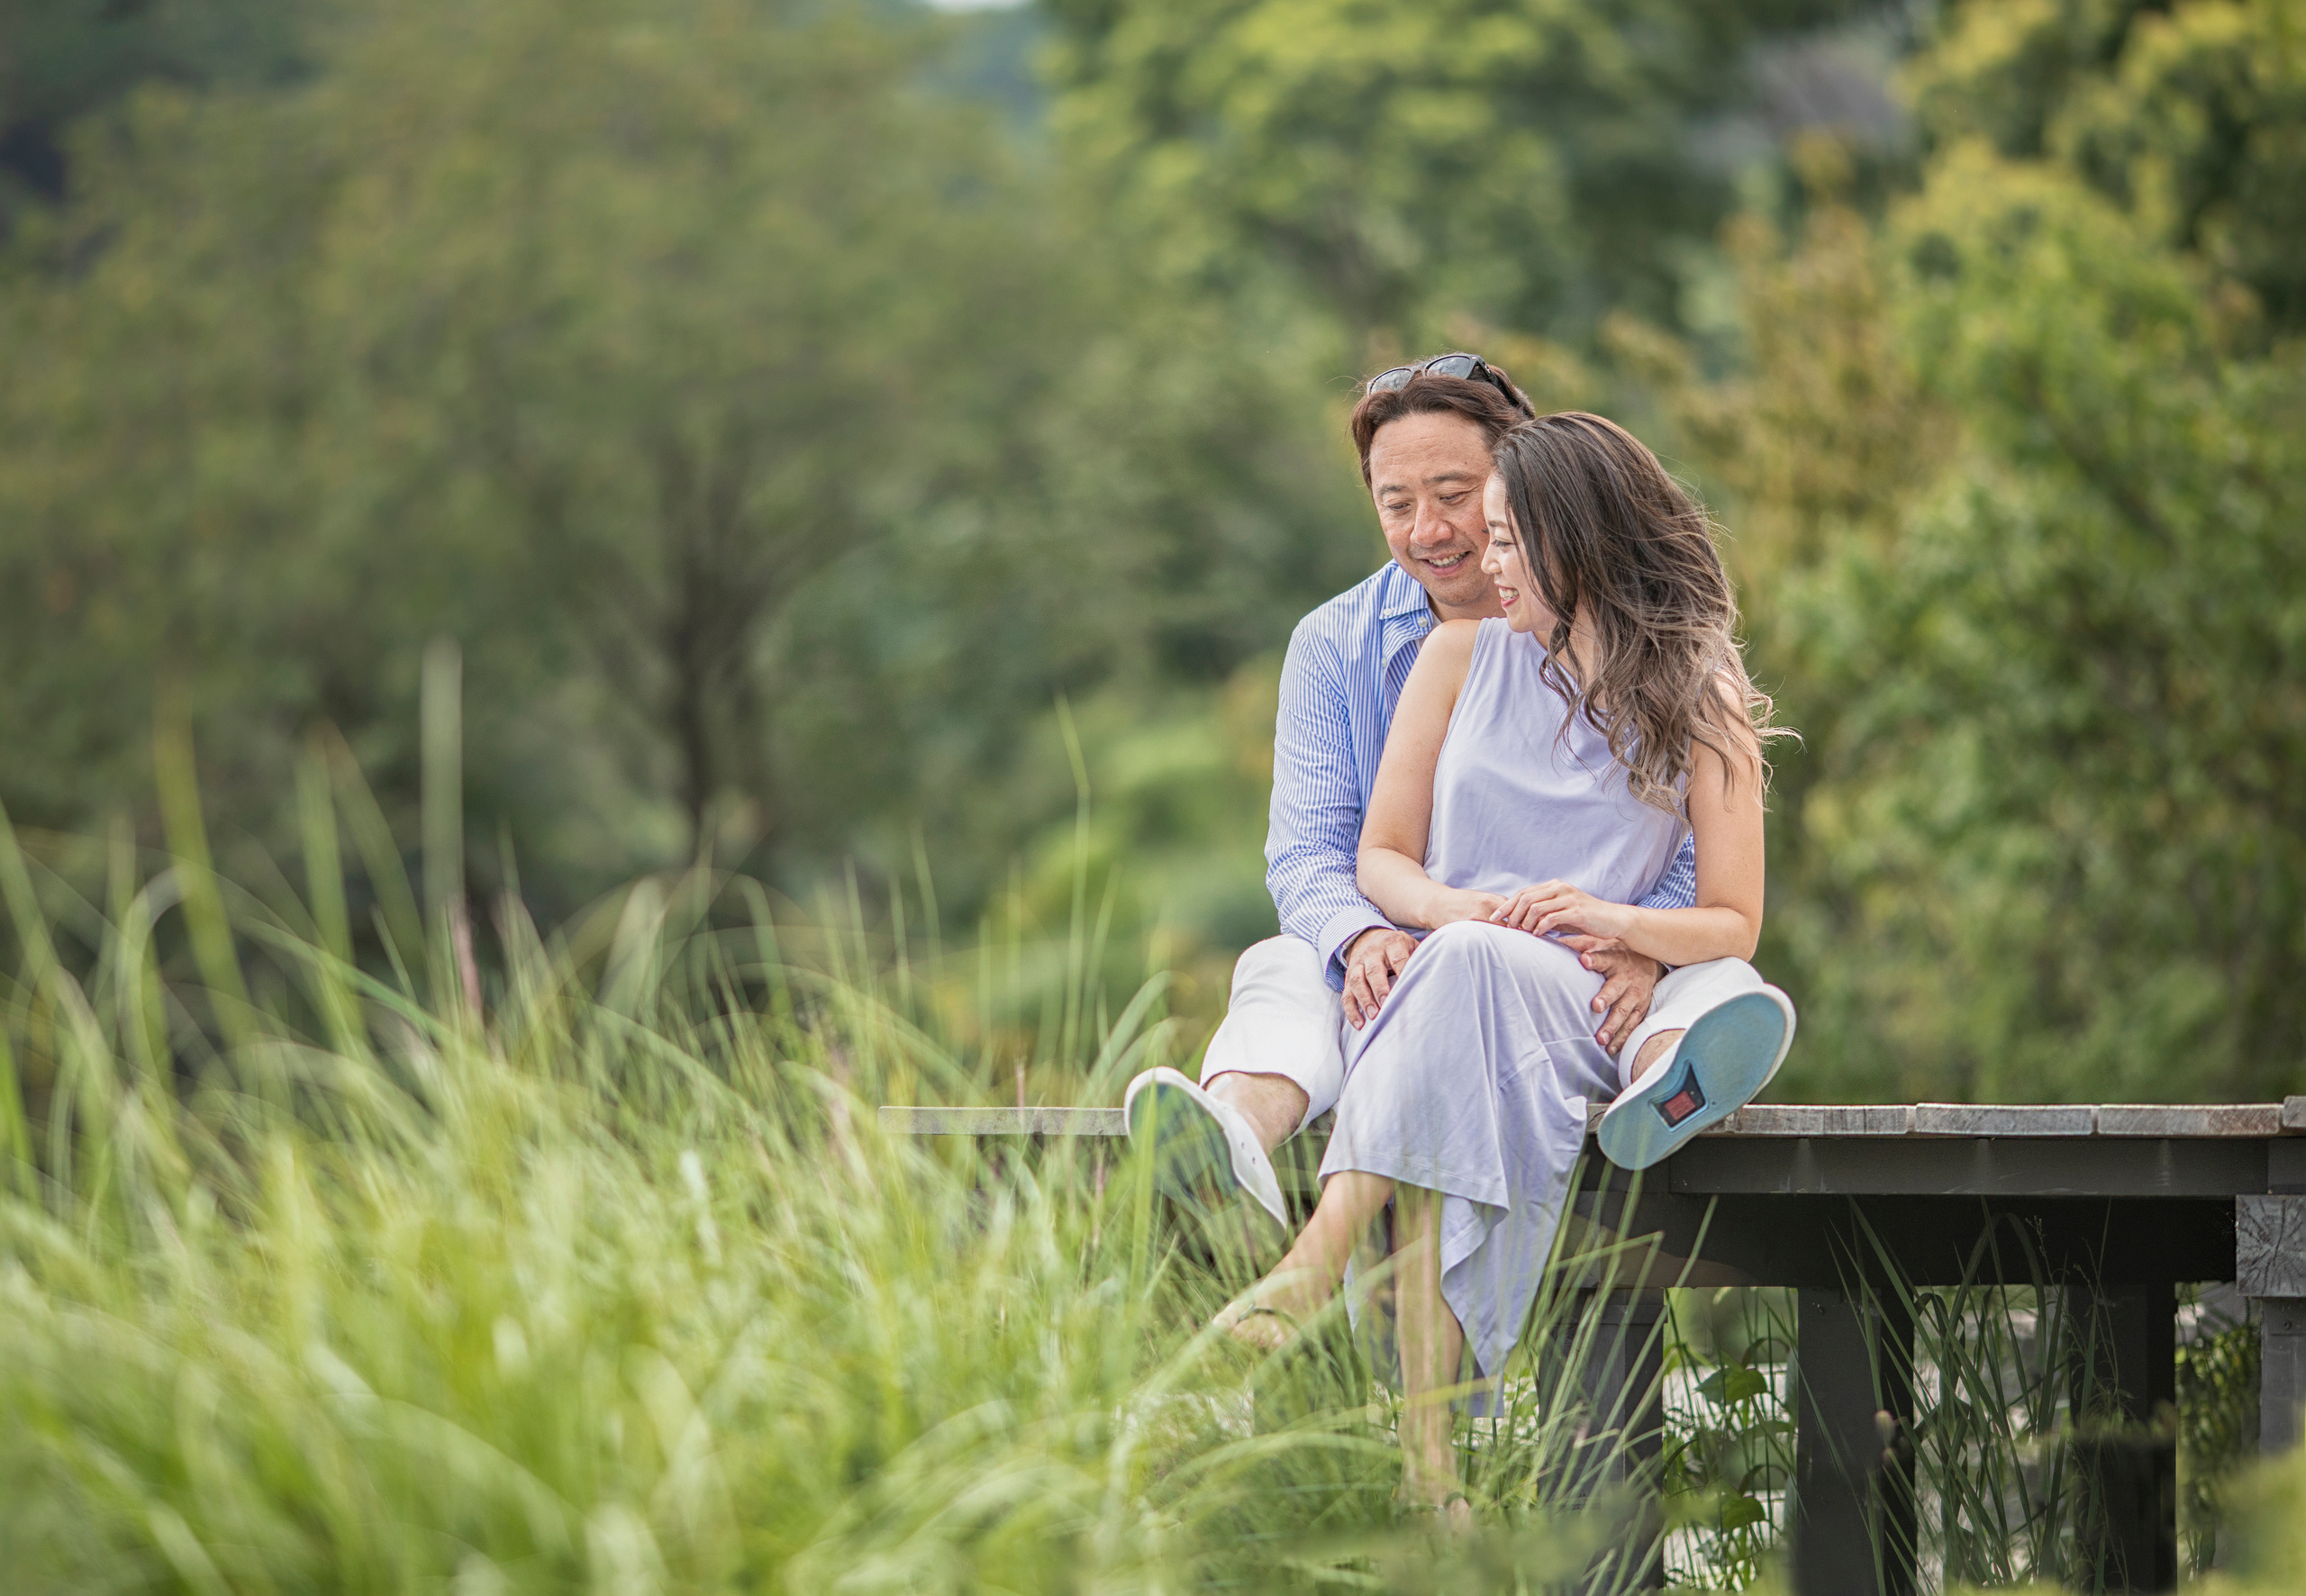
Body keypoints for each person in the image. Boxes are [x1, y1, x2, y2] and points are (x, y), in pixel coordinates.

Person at [1222, 412, 1795, 1518]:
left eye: (1502, 541)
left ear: (1574, 541)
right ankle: (1431, 1479)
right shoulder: (1453, 657)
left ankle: (1308, 1268)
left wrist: (1615, 920)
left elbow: (1731, 920)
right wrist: (1452, 906)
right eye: (1480, 540)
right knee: (1454, 1019)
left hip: (1571, 992)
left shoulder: (1701, 692)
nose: (1482, 567)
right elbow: (1379, 857)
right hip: (1449, 977)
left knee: (1470, 986)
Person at [1120, 355, 1698, 1254]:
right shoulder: (1334, 643)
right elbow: (1309, 849)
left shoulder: (1631, 636)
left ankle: (1663, 1088)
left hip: (1575, 961)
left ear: (1520, 481)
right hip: (1407, 956)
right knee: (1283, 963)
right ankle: (1227, 1141)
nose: (1429, 529)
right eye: (1396, 502)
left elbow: (1700, 842)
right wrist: (1360, 938)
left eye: (1454, 493)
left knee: (1700, 988)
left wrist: (1641, 941)